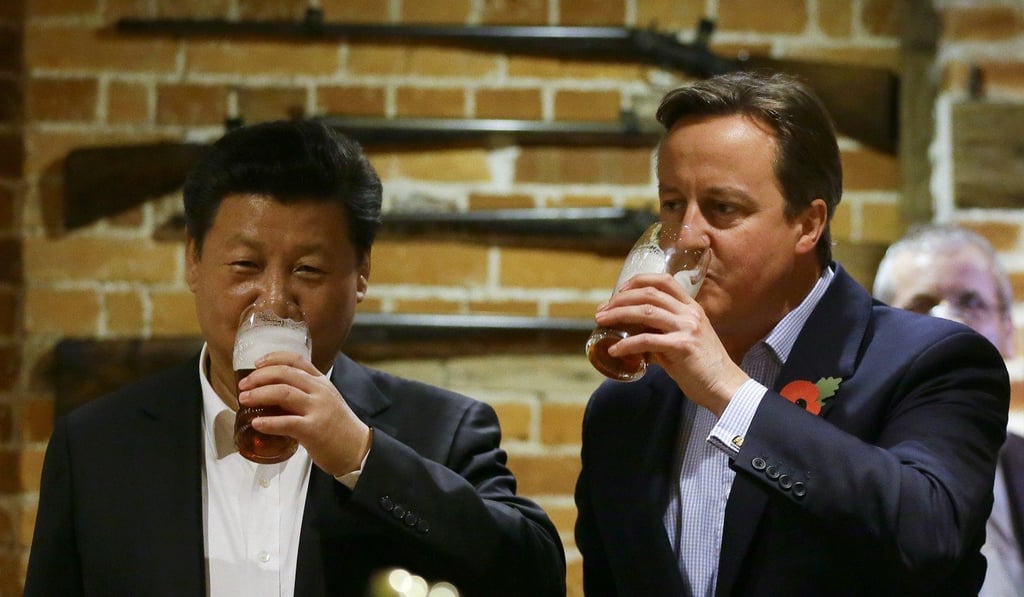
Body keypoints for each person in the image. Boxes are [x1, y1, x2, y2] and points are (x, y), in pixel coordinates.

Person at [25, 119, 566, 596]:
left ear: (361, 275)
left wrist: (360, 456)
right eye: (244, 265)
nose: (275, 301)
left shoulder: (444, 430)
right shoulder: (96, 445)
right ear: (193, 260)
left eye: (308, 270)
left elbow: (536, 577)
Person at [573, 71, 1010, 596]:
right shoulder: (623, 409)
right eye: (672, 204)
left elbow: (928, 535)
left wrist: (727, 390)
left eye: (723, 209)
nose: (686, 234)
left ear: (808, 224)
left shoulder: (935, 360)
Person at [873, 223, 1024, 596]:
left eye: (971, 303)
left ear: (1007, 329)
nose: (947, 323)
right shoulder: (846, 463)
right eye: (921, 306)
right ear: (879, 334)